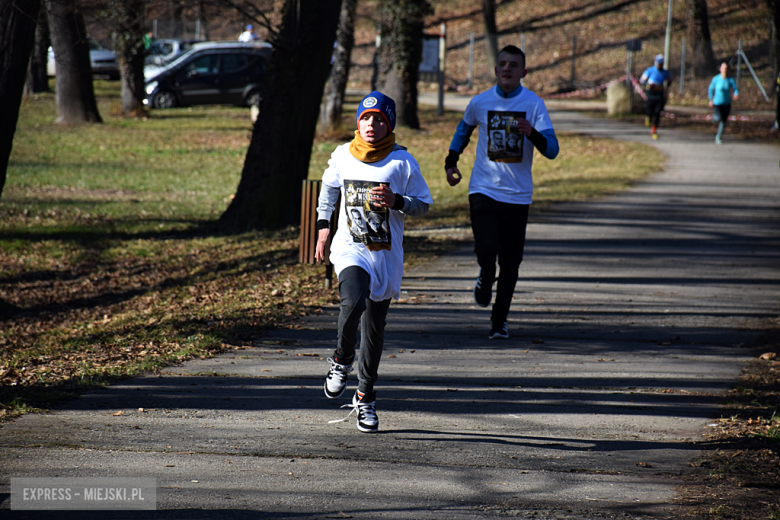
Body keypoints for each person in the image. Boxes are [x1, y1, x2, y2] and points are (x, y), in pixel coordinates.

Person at [315, 91, 432, 433]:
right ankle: (340, 360)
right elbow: (329, 189)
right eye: (365, 118)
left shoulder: (402, 162)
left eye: (379, 119)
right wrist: (323, 227)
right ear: (357, 122)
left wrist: (397, 200)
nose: (371, 124)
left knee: (374, 331)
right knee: (351, 300)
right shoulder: (342, 155)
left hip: (385, 254)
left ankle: (365, 396)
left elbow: (423, 203)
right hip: (351, 248)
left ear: (389, 123)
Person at [444, 45, 559, 340]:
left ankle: (499, 321)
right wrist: (450, 161)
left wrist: (530, 132)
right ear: (496, 70)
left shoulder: (533, 104)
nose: (507, 69)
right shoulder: (480, 102)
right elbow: (463, 130)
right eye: (502, 64)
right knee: (487, 248)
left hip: (518, 195)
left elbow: (552, 150)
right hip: (483, 189)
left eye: (513, 65)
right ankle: (485, 274)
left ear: (523, 72)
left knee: (510, 263)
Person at [639, 54, 671, 140]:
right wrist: (648, 85)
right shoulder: (649, 70)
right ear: (655, 63)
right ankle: (649, 117)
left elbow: (668, 82)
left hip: (660, 95)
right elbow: (642, 81)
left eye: (661, 63)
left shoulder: (665, 72)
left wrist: (668, 82)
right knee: (650, 111)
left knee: (658, 113)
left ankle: (654, 131)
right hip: (651, 94)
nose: (660, 65)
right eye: (659, 63)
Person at [708, 62, 739, 145]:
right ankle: (714, 119)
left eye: (726, 68)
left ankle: (718, 137)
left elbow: (735, 89)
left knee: (723, 121)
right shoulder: (716, 79)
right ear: (720, 69)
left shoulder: (730, 79)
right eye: (723, 68)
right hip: (717, 103)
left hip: (727, 103)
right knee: (718, 118)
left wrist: (736, 94)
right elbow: (710, 89)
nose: (725, 70)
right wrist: (711, 99)